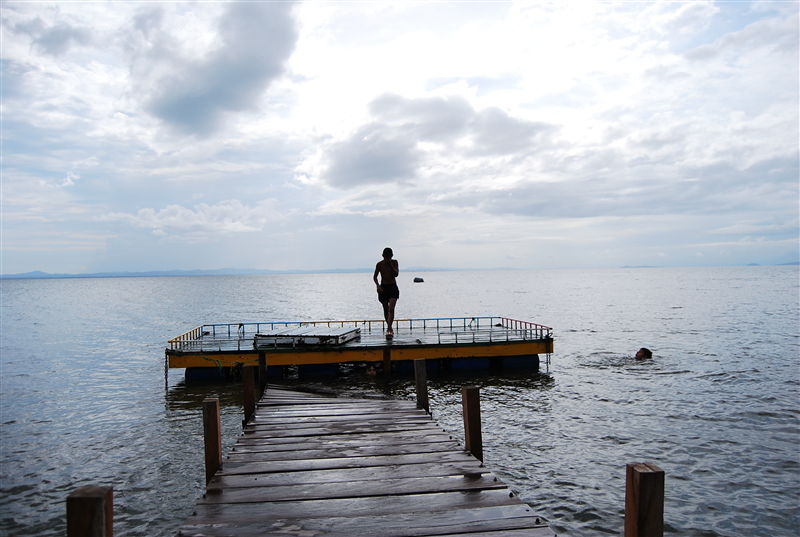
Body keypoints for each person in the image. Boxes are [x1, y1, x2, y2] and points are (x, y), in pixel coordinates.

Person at [373, 247, 399, 337]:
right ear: (383, 256)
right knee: (385, 308)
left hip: (393, 287)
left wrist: (391, 265)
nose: (387, 259)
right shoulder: (379, 264)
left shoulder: (394, 262)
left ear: (392, 256)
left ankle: (389, 328)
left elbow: (396, 274)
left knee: (391, 309)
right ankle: (389, 327)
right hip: (383, 287)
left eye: (389, 257)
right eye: (386, 257)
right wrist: (378, 286)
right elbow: (375, 277)